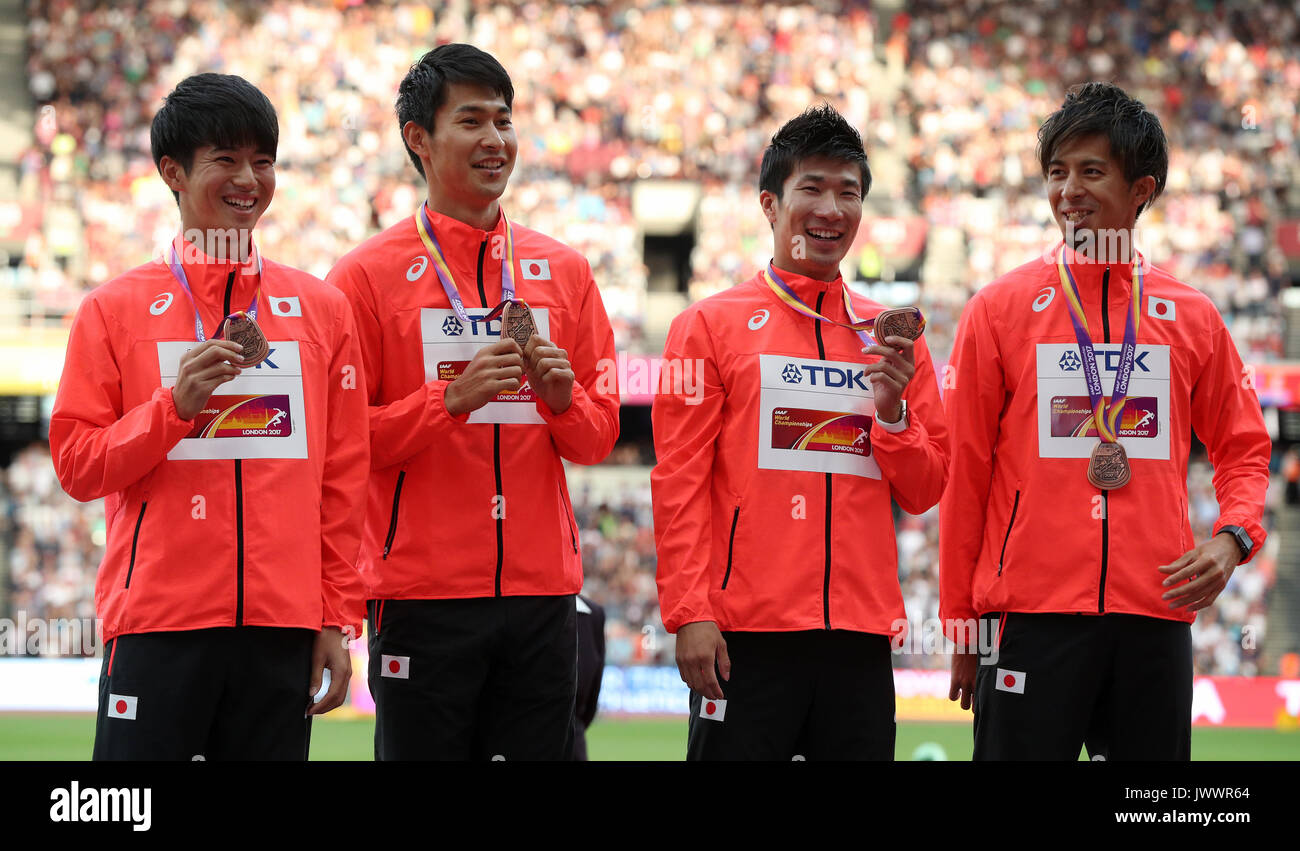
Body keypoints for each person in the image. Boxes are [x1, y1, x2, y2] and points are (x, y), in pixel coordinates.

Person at [940, 82, 1270, 760]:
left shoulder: (1194, 317)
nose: (1069, 191)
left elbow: (1243, 445)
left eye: (1092, 171)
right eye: (1057, 172)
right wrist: (962, 627)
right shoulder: (997, 310)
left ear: (1140, 188)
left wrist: (1234, 537)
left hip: (1154, 617)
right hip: (1030, 619)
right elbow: (964, 472)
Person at [49, 73, 369, 760]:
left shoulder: (321, 311)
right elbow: (76, 465)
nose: (248, 179)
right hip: (157, 627)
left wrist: (337, 619)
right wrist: (171, 411)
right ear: (173, 170)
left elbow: (344, 480)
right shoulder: (111, 311)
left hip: (282, 630)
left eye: (262, 160)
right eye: (225, 159)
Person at [327, 44, 620, 761]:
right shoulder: (364, 278)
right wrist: (445, 400)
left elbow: (598, 436)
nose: (496, 140)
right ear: (418, 139)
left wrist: (562, 401)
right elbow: (341, 445)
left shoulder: (566, 272)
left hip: (541, 597)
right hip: (420, 599)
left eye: (504, 120)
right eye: (472, 121)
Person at [651, 105, 950, 760]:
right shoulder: (706, 327)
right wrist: (690, 611)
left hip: (859, 637)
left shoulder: (894, 336)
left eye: (848, 192)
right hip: (742, 637)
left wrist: (893, 413)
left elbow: (927, 487)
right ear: (770, 203)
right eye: (812, 187)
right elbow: (679, 482)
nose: (831, 208)